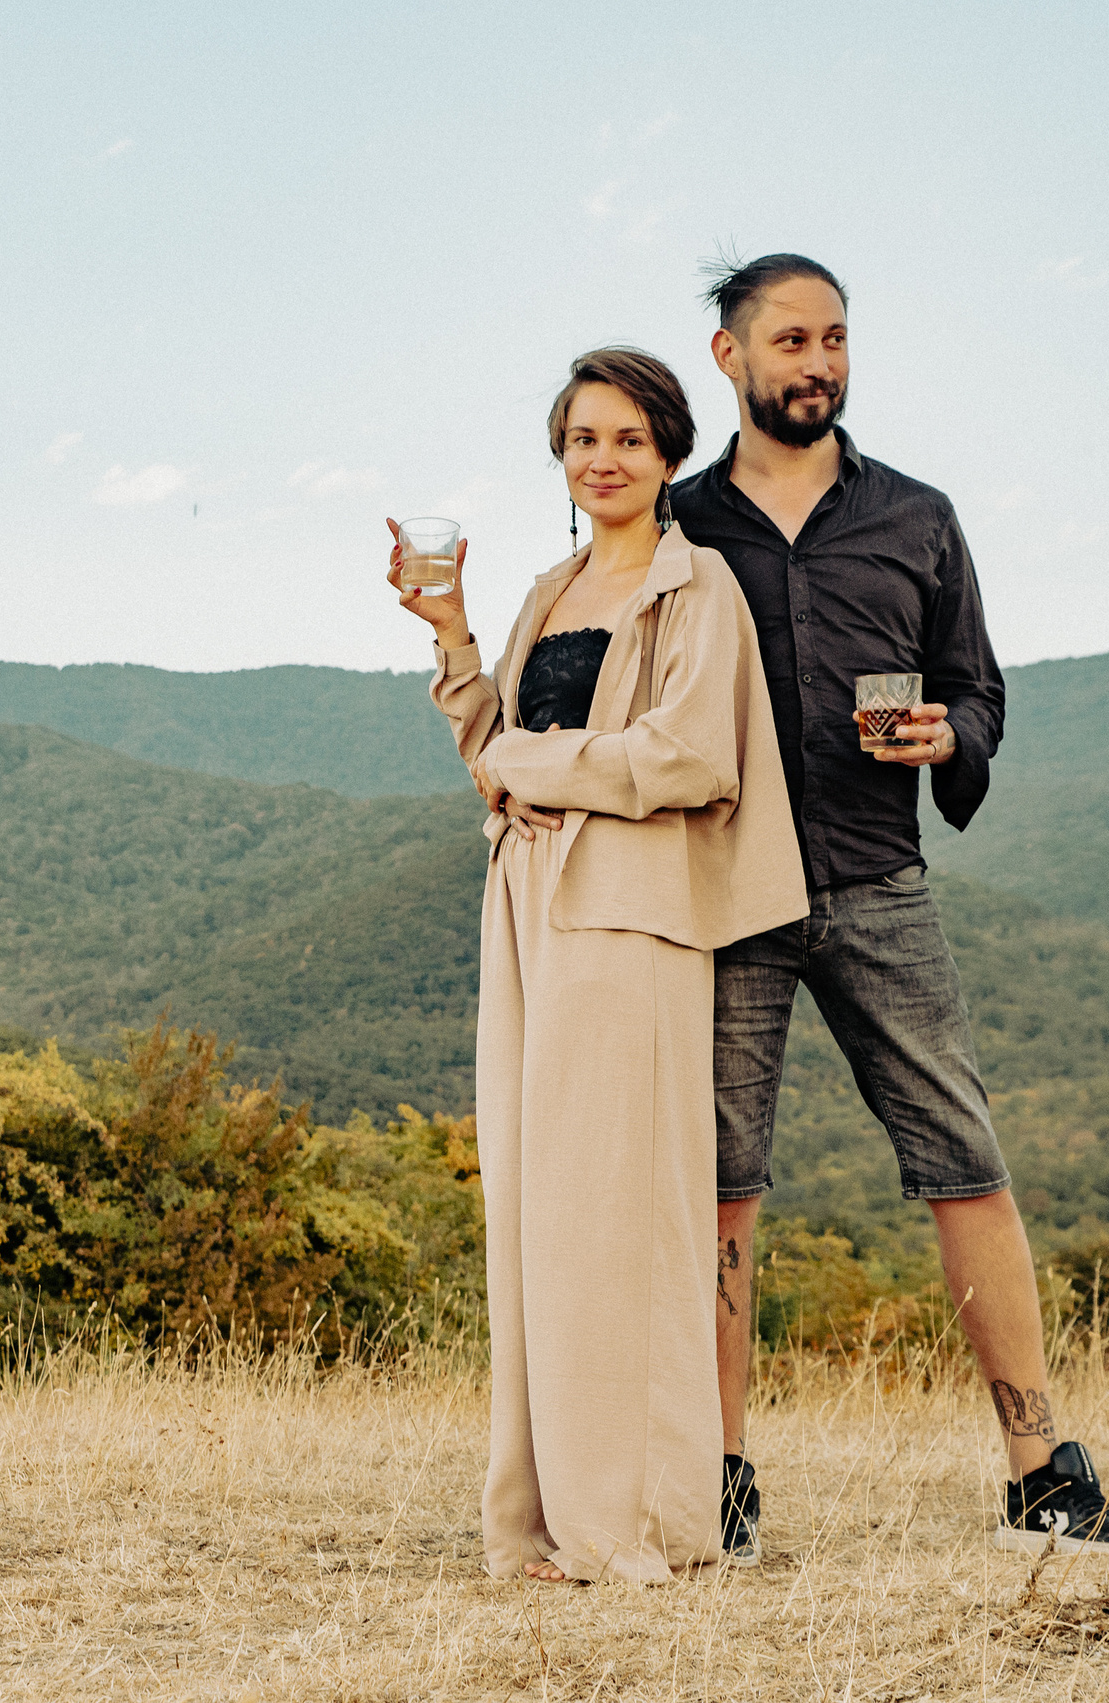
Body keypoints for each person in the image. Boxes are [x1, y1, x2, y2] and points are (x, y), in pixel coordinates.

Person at [668, 253, 1109, 1562]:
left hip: (882, 882)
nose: (817, 361)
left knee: (968, 1164)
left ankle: (1042, 1473)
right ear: (732, 357)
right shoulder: (674, 522)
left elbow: (980, 687)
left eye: (835, 338)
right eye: (790, 339)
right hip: (724, 890)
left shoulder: (918, 517)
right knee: (721, 1194)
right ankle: (718, 1482)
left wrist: (949, 736)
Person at [387, 347, 804, 1583]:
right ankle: (547, 1514)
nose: (602, 459)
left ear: (668, 452)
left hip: (631, 916)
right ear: (561, 460)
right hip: (522, 906)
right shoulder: (551, 589)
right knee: (533, 1205)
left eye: (626, 437)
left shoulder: (699, 586)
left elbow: (689, 756)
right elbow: (492, 750)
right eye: (581, 440)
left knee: (615, 1213)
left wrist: (537, 768)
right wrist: (454, 635)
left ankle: (641, 1519)